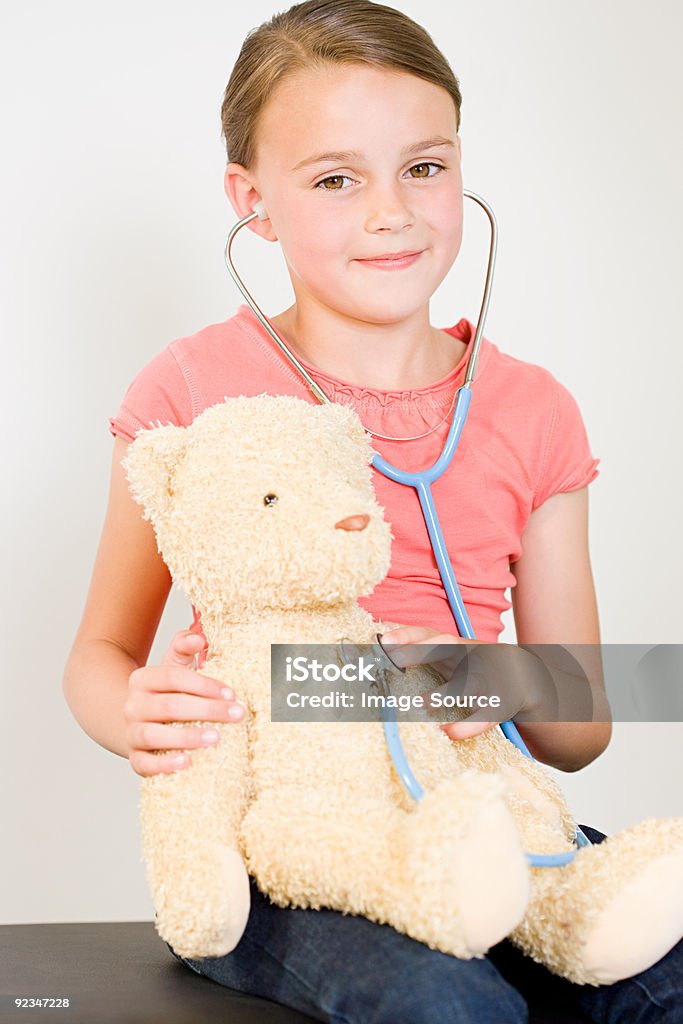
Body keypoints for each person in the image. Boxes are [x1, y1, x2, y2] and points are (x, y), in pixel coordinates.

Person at [62, 0, 683, 1020]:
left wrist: (492, 674)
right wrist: (129, 709)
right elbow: (98, 653)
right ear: (251, 200)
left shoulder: (532, 409)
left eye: (423, 167)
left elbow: (581, 725)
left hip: (472, 804)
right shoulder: (189, 387)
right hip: (295, 841)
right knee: (444, 1002)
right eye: (335, 179)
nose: (390, 210)